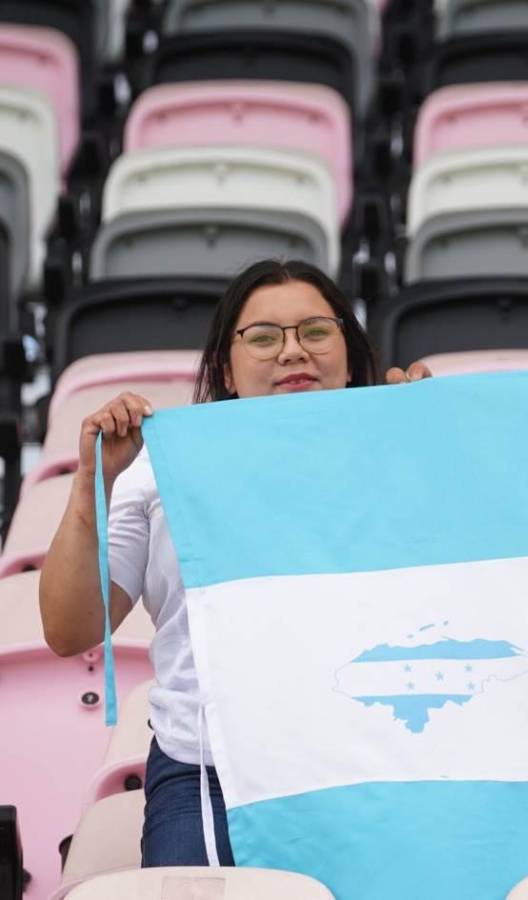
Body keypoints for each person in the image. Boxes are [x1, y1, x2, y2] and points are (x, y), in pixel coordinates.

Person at [38, 259, 425, 867]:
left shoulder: (408, 453)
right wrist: (95, 481)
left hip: (379, 761)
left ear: (351, 358)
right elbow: (70, 630)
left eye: (316, 332)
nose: (293, 352)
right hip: (211, 777)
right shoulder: (155, 465)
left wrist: (437, 443)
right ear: (226, 369)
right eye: (264, 337)